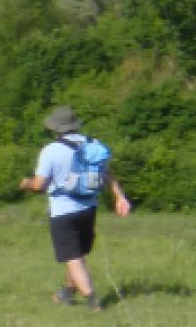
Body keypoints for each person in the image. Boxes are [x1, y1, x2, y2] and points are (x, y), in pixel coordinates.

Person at [19, 105, 130, 310]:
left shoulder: (51, 151)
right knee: (77, 253)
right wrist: (120, 197)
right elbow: (107, 174)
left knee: (72, 257)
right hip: (89, 207)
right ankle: (66, 293)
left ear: (54, 128)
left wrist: (25, 184)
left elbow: (39, 185)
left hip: (63, 210)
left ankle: (92, 300)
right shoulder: (92, 145)